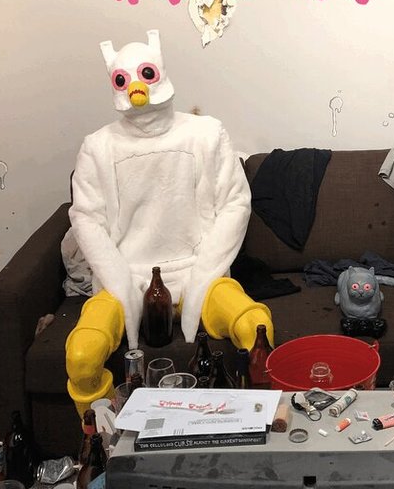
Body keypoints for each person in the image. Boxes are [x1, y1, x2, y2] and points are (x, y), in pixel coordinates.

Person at [65, 29, 273, 415]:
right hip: (127, 280)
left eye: (146, 75)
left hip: (201, 274)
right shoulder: (98, 147)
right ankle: (104, 439)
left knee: (256, 326)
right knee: (80, 357)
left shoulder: (206, 133)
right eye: (124, 80)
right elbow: (86, 218)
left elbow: (235, 203)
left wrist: (203, 276)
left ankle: (251, 425)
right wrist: (122, 286)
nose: (137, 89)